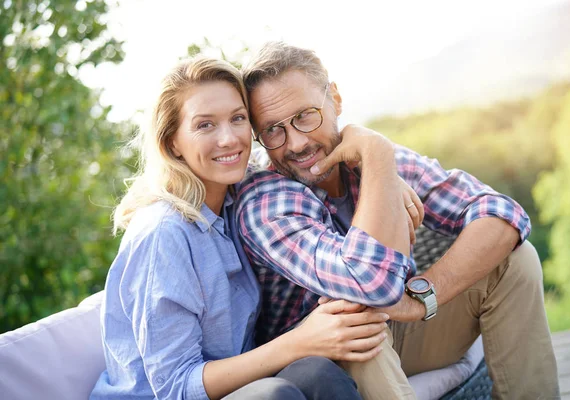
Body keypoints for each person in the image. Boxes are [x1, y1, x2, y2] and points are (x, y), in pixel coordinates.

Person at [236, 41, 560, 399]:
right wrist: (378, 158)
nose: (295, 143)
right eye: (272, 130)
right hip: (320, 366)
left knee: (515, 261)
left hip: (400, 332)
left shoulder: (370, 155)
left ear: (336, 100)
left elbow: (503, 213)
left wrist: (423, 295)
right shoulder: (266, 200)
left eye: (305, 116)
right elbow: (364, 285)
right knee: (355, 321)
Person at [90, 54, 392, 400]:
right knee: (274, 395)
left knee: (318, 372)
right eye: (205, 125)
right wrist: (299, 341)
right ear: (172, 141)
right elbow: (175, 387)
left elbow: (293, 159)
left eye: (238, 119)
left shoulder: (234, 202)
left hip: (239, 384)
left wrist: (377, 171)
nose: (229, 139)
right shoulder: (164, 233)